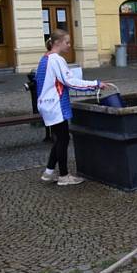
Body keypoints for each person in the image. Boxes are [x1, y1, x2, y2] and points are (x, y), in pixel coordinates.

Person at [36, 29, 109, 186]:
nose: (69, 45)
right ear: (57, 43)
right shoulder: (56, 60)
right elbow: (70, 82)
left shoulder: (45, 58)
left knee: (59, 139)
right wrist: (95, 84)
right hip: (55, 105)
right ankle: (64, 175)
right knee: (63, 139)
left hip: (46, 104)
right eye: (67, 42)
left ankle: (48, 173)